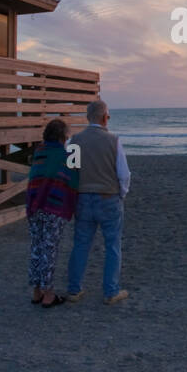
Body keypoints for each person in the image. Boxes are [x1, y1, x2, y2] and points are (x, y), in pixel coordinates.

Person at [66, 98, 131, 305]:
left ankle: (74, 290)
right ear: (105, 117)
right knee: (112, 245)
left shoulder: (75, 141)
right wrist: (121, 193)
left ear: (88, 118)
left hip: (83, 198)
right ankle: (110, 291)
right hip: (108, 197)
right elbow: (124, 174)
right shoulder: (113, 140)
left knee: (81, 245)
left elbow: (70, 171)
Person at [26, 118, 79, 308]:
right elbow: (72, 180)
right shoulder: (64, 155)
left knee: (36, 247)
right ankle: (48, 295)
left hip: (34, 205)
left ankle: (36, 291)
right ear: (62, 137)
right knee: (49, 249)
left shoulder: (39, 152)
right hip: (52, 207)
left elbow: (37, 177)